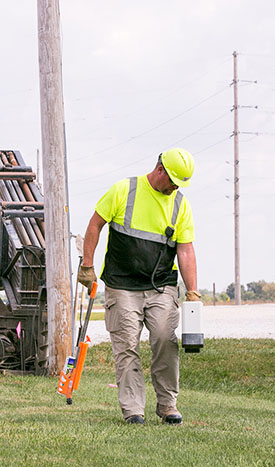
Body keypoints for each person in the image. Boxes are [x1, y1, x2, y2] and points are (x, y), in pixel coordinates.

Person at [78, 148, 201, 425]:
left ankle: (168, 404)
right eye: (173, 182)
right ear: (160, 171)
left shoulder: (180, 204)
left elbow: (186, 250)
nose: (175, 188)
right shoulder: (124, 190)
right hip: (122, 286)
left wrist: (192, 291)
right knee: (126, 345)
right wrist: (87, 266)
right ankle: (133, 409)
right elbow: (95, 225)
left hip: (161, 286)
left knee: (164, 339)